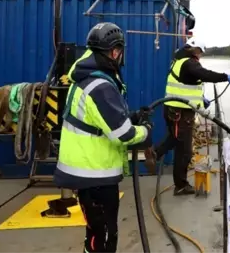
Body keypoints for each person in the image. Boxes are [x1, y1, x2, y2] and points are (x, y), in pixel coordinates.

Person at [54, 22, 155, 253]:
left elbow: (97, 120)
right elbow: (124, 134)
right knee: (105, 236)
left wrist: (132, 116)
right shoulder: (101, 86)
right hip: (94, 175)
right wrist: (146, 131)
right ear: (116, 51)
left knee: (95, 231)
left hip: (86, 172)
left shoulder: (85, 76)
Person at [151, 37, 230, 195]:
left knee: (174, 138)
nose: (200, 56)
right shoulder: (189, 63)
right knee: (184, 151)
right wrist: (226, 77)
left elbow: (187, 83)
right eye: (200, 52)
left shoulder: (179, 61)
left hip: (174, 111)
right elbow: (205, 75)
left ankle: (155, 153)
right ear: (194, 49)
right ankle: (181, 185)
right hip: (180, 113)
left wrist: (201, 99)